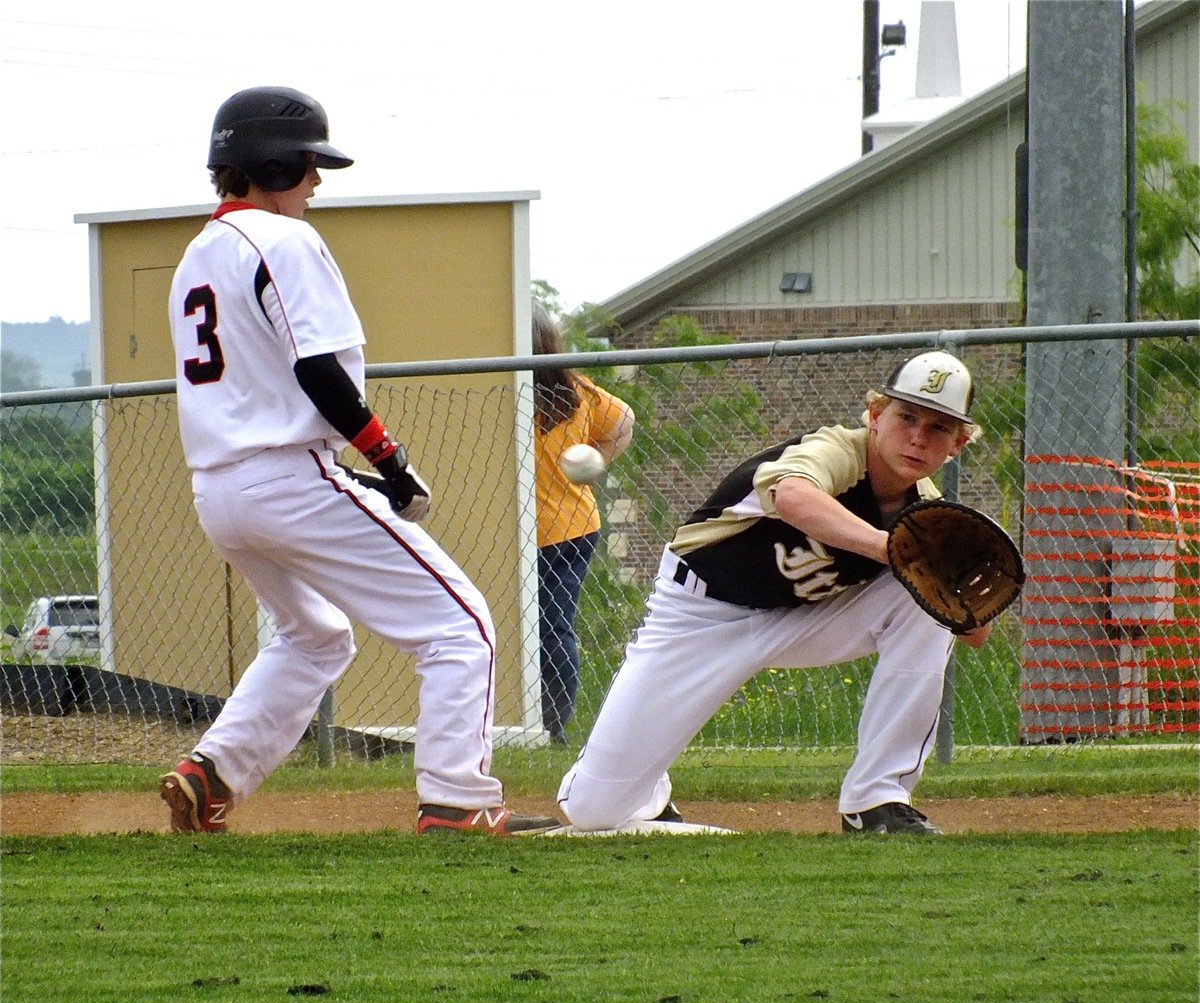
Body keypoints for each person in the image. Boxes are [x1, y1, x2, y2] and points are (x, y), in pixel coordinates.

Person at [160, 85, 560, 837]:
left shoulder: (196, 257)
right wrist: (389, 456)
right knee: (460, 624)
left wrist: (343, 471)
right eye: (309, 166)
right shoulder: (285, 241)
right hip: (282, 474)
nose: (316, 183)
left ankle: (210, 774)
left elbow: (261, 390)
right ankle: (457, 800)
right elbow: (316, 368)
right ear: (273, 164)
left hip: (220, 489)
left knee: (316, 633)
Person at [557, 349, 990, 835]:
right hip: (700, 615)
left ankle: (876, 800)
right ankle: (646, 790)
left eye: (938, 427)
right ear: (874, 416)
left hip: (803, 620)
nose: (917, 436)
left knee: (925, 600)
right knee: (594, 812)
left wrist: (968, 597)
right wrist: (892, 548)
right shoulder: (836, 451)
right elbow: (794, 497)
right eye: (906, 416)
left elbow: (972, 632)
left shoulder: (927, 515)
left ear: (957, 445)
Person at [532, 302, 635, 743]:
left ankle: (552, 727)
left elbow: (624, 421)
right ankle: (546, 724)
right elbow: (625, 419)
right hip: (567, 525)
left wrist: (596, 464)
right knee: (552, 625)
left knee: (551, 625)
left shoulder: (573, 391)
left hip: (563, 531)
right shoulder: (572, 390)